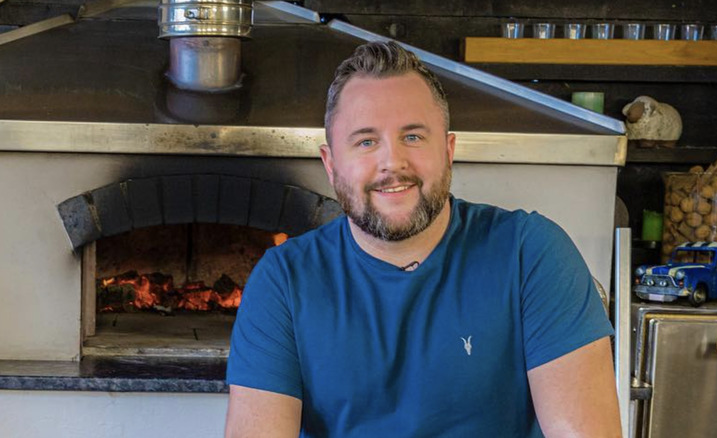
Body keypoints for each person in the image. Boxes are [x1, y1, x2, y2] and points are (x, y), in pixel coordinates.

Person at [225, 41, 622, 437]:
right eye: (366, 141)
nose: (392, 162)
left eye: (413, 137)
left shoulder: (531, 253)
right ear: (331, 165)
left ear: (448, 150)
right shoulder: (283, 280)